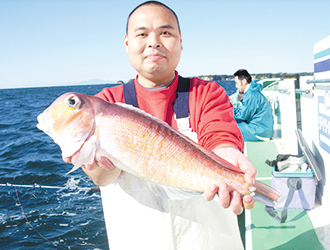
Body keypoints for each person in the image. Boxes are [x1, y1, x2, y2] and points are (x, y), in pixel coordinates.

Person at [64, 2, 257, 249]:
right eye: (142, 34)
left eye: (165, 33)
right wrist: (96, 167)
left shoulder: (206, 92)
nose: (154, 42)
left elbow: (219, 136)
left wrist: (228, 157)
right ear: (126, 43)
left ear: (180, 42)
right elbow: (104, 177)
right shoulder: (106, 103)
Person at [230, 69, 274, 142]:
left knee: (228, 128)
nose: (236, 86)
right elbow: (244, 112)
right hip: (258, 128)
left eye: (237, 83)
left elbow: (243, 115)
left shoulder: (252, 94)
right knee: (232, 124)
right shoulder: (251, 92)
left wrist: (227, 115)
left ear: (244, 81)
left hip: (259, 131)